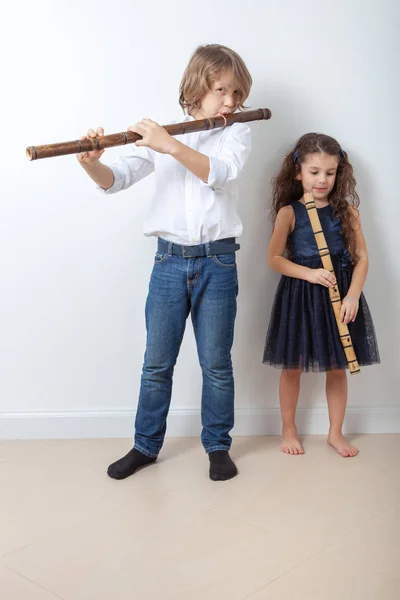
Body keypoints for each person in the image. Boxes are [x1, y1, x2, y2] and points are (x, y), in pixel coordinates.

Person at [77, 44, 253, 480]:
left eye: (237, 93)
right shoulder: (159, 131)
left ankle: (217, 445)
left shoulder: (236, 132)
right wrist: (90, 163)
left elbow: (220, 173)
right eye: (221, 91)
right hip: (168, 265)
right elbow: (116, 180)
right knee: (157, 363)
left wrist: (169, 144)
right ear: (196, 87)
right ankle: (145, 446)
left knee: (216, 363)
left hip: (218, 263)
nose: (230, 102)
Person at [263, 133, 380, 457]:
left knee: (337, 366)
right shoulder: (290, 212)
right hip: (301, 296)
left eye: (330, 172)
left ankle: (335, 433)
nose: (322, 179)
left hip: (340, 297)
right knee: (292, 367)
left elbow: (363, 258)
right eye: (314, 172)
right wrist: (311, 273)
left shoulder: (349, 212)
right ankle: (289, 429)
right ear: (298, 172)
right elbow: (274, 258)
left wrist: (353, 295)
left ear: (339, 172)